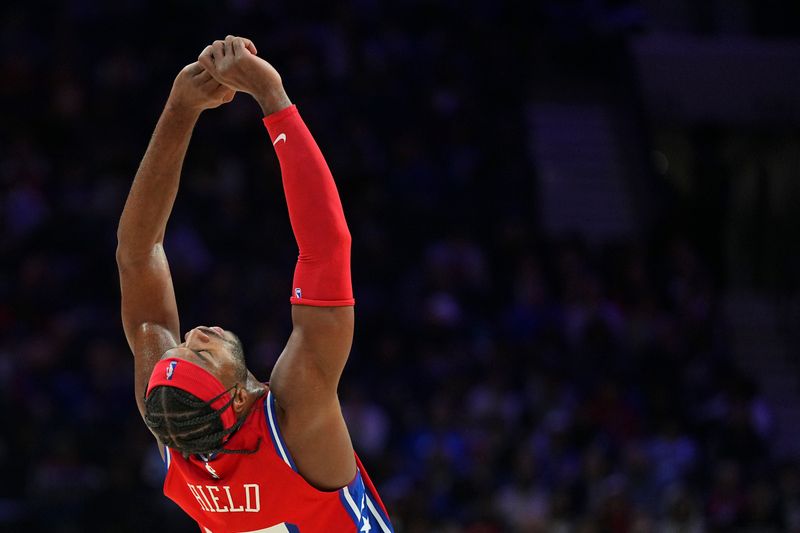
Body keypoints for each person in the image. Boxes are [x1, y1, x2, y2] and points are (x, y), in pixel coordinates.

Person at [116, 35, 393, 533]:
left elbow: (139, 256)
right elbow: (326, 250)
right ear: (237, 399)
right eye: (200, 355)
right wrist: (272, 98)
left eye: (179, 348)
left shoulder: (178, 425)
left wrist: (181, 108)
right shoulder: (296, 418)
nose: (194, 334)